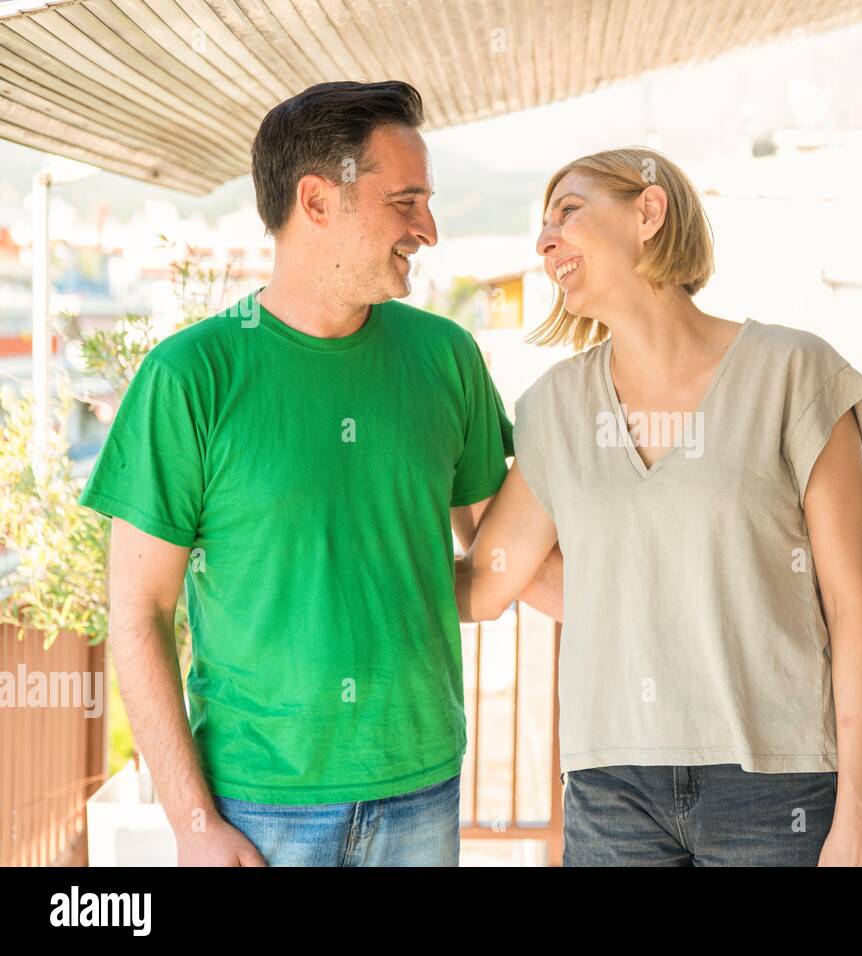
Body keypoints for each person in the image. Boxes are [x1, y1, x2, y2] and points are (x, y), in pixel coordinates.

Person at [80, 80, 559, 866]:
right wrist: (193, 823)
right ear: (316, 200)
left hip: (421, 792)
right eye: (405, 202)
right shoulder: (189, 378)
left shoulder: (447, 358)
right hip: (258, 810)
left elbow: (498, 562)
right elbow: (139, 613)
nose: (428, 229)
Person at [456, 147, 862, 866]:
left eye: (568, 211)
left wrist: (858, 821)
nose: (544, 239)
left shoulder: (793, 373)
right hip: (611, 785)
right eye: (541, 224)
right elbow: (489, 584)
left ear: (648, 212)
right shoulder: (557, 407)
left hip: (774, 784)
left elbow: (851, 607)